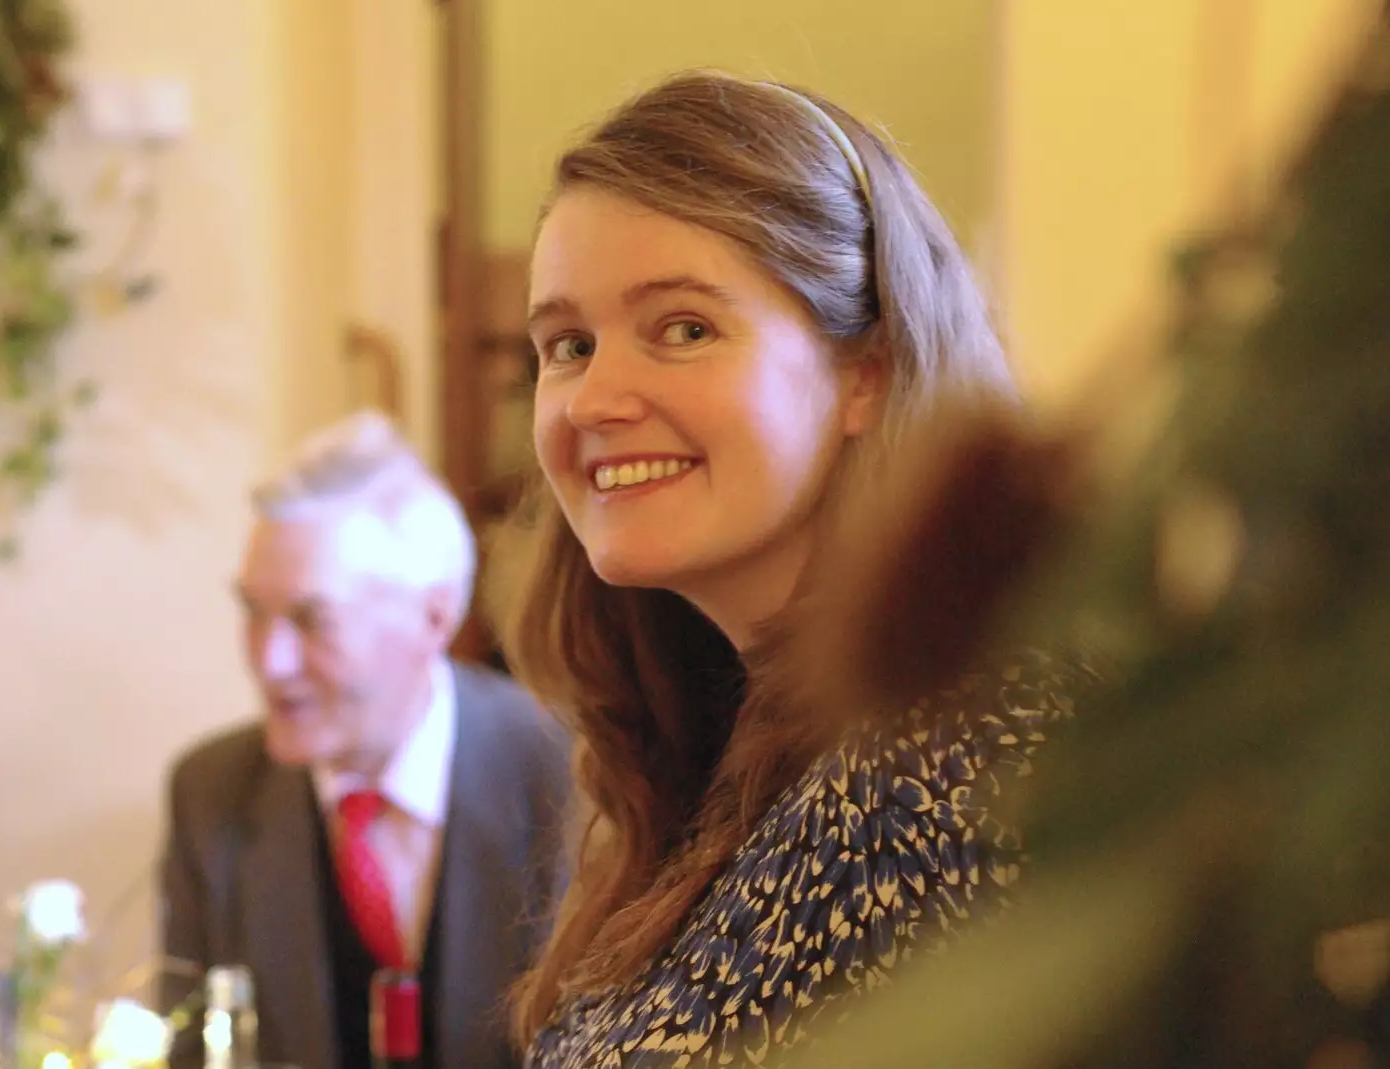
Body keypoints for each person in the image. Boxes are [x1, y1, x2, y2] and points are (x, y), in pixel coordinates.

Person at [497, 71, 1099, 1065]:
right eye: (567, 344)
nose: (594, 398)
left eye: (682, 329)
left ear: (863, 373)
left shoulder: (966, 746)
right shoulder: (697, 742)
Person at [158, 411, 571, 1069]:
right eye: (253, 612)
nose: (270, 662)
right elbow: (191, 1051)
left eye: (311, 618)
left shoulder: (567, 773)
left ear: (433, 615)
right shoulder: (211, 791)